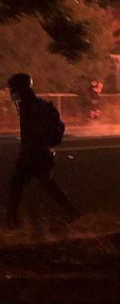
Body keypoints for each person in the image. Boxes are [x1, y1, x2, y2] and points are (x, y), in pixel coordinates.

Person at [5, 73, 80, 228]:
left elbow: (32, 133)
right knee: (46, 183)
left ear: (20, 88)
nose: (11, 92)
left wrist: (27, 151)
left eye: (13, 88)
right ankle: (71, 211)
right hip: (44, 152)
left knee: (16, 184)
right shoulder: (39, 104)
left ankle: (12, 220)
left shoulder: (28, 107)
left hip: (33, 152)